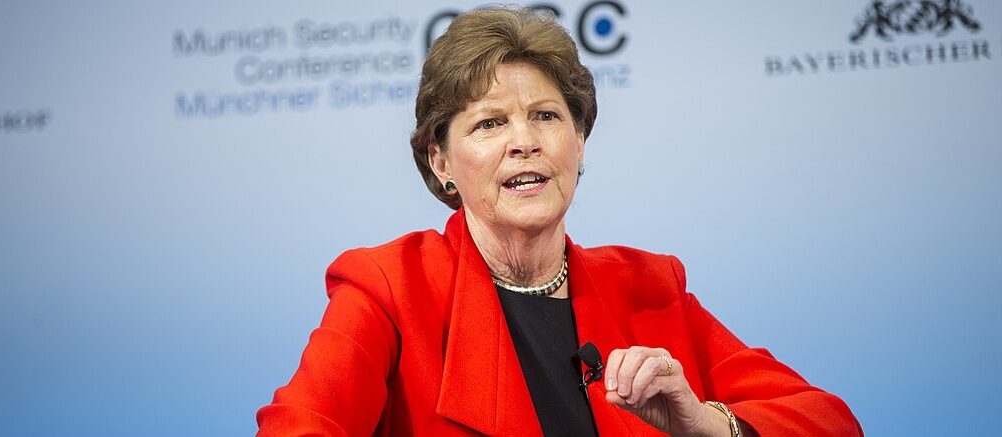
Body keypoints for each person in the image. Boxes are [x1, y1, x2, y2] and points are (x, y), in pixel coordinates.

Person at [257, 7, 863, 437]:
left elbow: (829, 421)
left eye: (547, 116)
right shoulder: (388, 288)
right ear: (441, 162)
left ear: (579, 141)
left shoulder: (650, 286)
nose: (524, 142)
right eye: (490, 123)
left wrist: (704, 425)